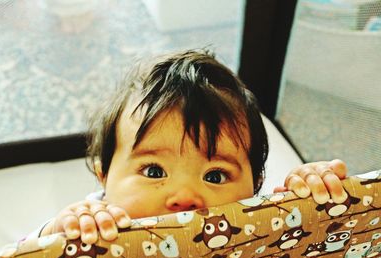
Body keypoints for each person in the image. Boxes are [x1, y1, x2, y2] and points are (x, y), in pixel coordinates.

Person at [38, 50, 348, 244]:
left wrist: (314, 202)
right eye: (154, 170)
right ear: (104, 177)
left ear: (254, 187)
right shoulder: (95, 224)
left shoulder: (256, 225)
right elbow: (25, 256)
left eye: (215, 175)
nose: (185, 197)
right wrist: (54, 234)